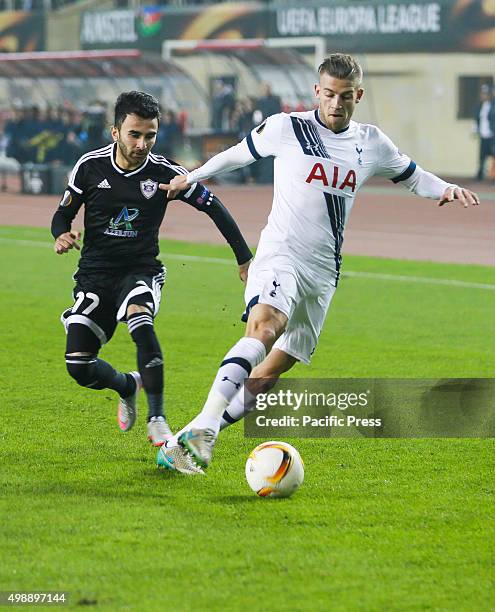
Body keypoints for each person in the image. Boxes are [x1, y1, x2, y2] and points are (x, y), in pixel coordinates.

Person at [158, 54, 480, 473]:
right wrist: (192, 176)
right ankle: (204, 428)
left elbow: (412, 175)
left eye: (345, 96)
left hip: (323, 272)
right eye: (328, 94)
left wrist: (447, 187)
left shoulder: (371, 142)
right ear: (317, 92)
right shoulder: (287, 128)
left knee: (272, 372)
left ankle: (191, 439)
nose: (336, 103)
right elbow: (239, 154)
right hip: (281, 254)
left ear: (358, 96)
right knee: (266, 326)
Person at [51, 91, 252, 461]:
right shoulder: (90, 166)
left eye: (150, 135)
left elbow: (214, 207)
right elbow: (62, 215)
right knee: (78, 365)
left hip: (140, 270)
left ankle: (157, 417)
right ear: (115, 131)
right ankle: (128, 384)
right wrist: (61, 234)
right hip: (95, 276)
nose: (142, 144)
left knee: (140, 320)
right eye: (134, 135)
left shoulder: (165, 172)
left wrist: (244, 258)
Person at [475, 84, 495, 181]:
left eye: (486, 94)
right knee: (482, 156)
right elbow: (477, 119)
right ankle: (480, 174)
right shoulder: (480, 106)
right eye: (482, 93)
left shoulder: (493, 105)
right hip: (483, 135)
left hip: (492, 135)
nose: (483, 96)